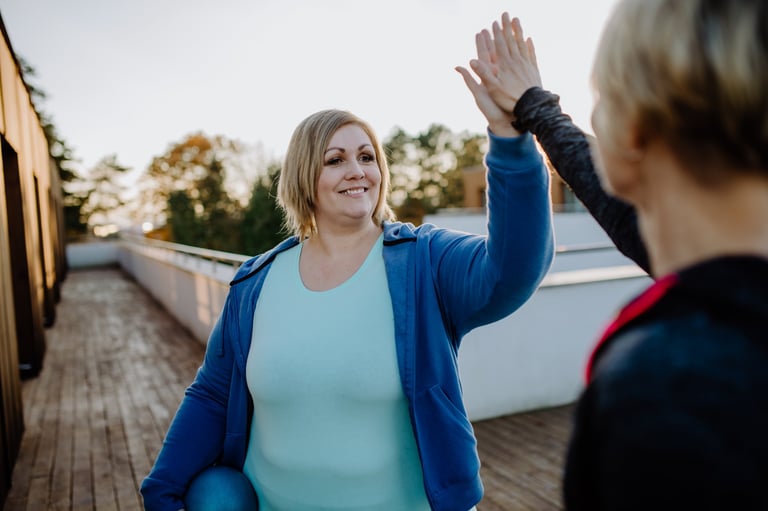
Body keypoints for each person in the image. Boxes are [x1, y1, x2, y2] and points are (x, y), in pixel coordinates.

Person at [140, 47, 555, 511]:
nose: (357, 171)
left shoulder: (424, 262)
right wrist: (162, 489)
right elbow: (213, 394)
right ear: (304, 177)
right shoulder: (255, 282)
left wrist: (509, 138)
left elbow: (512, 271)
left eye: (367, 157)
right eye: (335, 160)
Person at [464, 4, 768, 510]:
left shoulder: (670, 386)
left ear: (630, 136)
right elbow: (628, 217)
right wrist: (537, 109)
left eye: (603, 101)